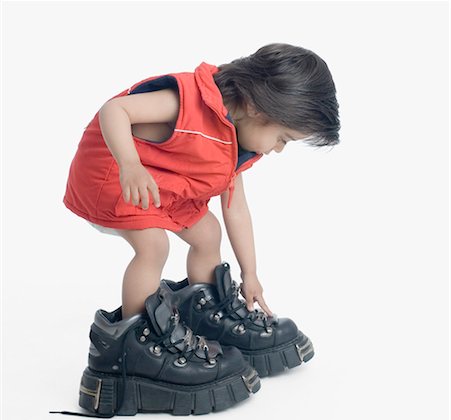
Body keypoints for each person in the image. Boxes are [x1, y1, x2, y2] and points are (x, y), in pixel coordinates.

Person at [63, 42, 340, 322]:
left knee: (208, 233)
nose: (278, 149)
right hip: (112, 174)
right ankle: (136, 335)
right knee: (154, 246)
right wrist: (129, 164)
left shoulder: (237, 141)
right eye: (283, 138)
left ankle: (208, 316)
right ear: (256, 107)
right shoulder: (186, 103)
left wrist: (250, 273)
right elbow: (115, 110)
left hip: (164, 187)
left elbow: (237, 209)